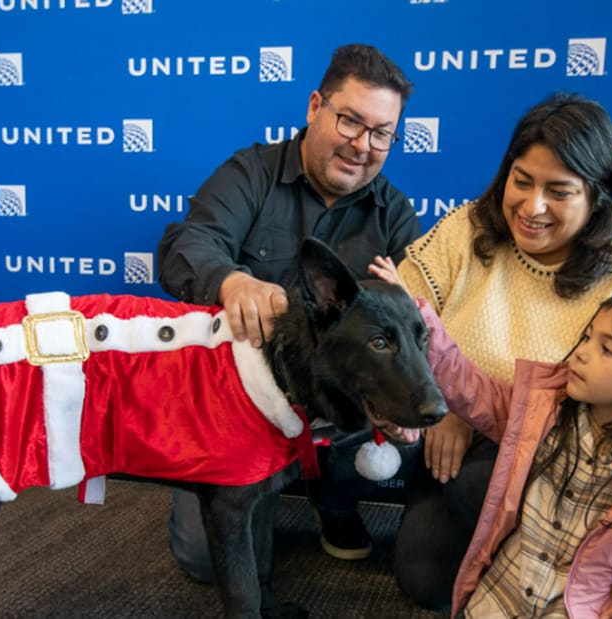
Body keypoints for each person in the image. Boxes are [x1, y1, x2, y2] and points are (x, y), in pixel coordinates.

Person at [387, 93, 612, 612]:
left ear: (598, 199)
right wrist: (442, 404)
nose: (532, 206)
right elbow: (399, 317)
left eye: (558, 191)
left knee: (480, 485)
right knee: (424, 575)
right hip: (450, 449)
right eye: (522, 181)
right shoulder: (465, 229)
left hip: (567, 476)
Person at [155, 43, 421, 582]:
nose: (362, 145)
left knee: (418, 409)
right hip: (236, 404)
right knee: (205, 563)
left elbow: (418, 324)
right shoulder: (249, 173)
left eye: (381, 133)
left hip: (334, 407)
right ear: (315, 107)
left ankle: (337, 502)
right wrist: (231, 280)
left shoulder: (394, 212)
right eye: (350, 121)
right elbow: (189, 243)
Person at [375, 269, 612, 617]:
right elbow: (469, 387)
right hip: (497, 601)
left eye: (607, 349)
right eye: (588, 337)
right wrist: (417, 318)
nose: (582, 352)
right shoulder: (542, 410)